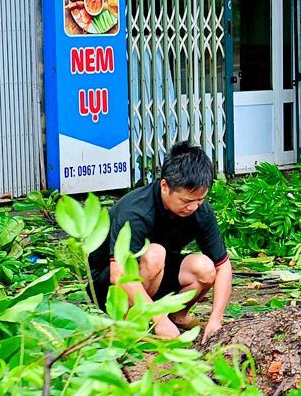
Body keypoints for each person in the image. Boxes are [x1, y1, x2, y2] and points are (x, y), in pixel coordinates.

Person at [87, 141, 232, 340]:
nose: (193, 207)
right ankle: (131, 323)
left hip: (157, 275)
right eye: (186, 201)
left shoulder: (201, 212)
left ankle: (177, 316)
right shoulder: (135, 211)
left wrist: (216, 319)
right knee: (154, 253)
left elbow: (223, 267)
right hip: (110, 288)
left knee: (204, 268)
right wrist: (158, 319)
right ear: (165, 186)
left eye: (200, 200)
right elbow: (118, 275)